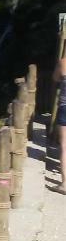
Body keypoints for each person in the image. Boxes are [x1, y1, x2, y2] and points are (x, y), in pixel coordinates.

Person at [53, 54, 66, 194]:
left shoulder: (63, 62)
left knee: (64, 145)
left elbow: (55, 78)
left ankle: (65, 184)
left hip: (65, 107)